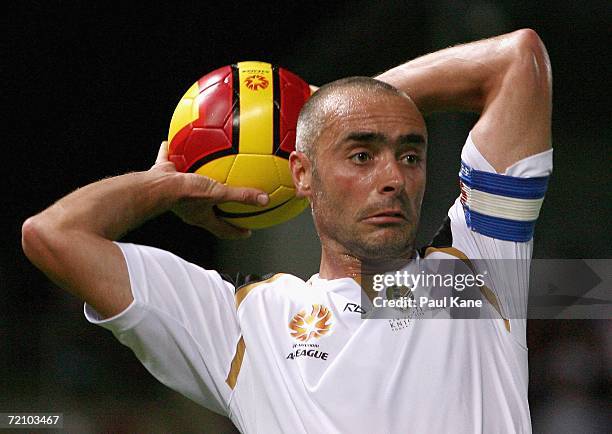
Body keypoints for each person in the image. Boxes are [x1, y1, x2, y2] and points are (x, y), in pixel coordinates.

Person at [22, 29, 552, 433]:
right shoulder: (242, 322)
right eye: (361, 154)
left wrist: (331, 105)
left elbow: (516, 60)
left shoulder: (477, 271)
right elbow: (54, 234)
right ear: (302, 173)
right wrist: (162, 185)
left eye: (410, 155)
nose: (393, 178)